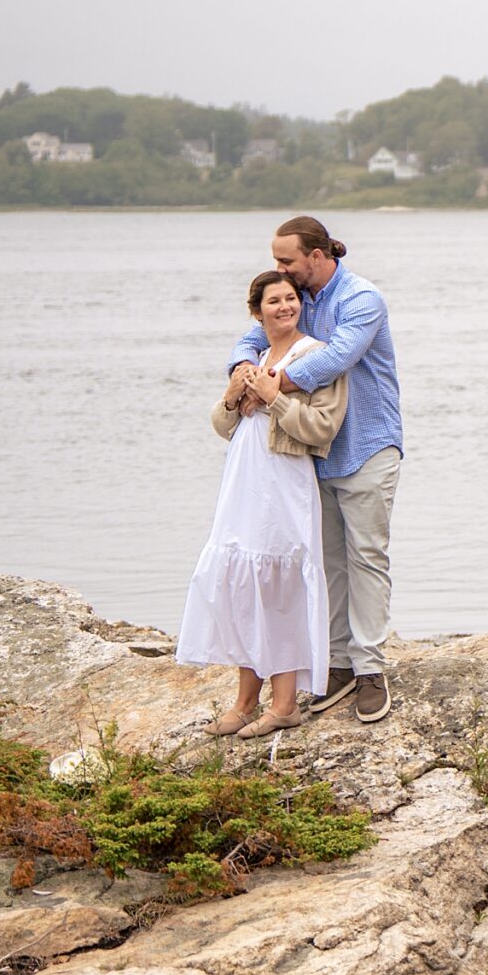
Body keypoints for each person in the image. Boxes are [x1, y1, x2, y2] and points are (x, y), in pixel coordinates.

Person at [227, 214, 404, 723]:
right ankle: (340, 665)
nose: (278, 268)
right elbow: (251, 336)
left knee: (367, 556)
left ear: (317, 257)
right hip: (311, 455)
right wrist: (242, 368)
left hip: (367, 445)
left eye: (285, 260)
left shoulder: (360, 299)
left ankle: (370, 670)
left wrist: (269, 386)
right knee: (327, 562)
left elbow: (336, 359)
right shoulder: (298, 299)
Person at [178, 271, 348, 735]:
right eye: (274, 301)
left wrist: (273, 399)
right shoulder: (250, 358)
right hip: (243, 480)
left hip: (285, 483)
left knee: (280, 585)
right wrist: (235, 394)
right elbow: (221, 424)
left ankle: (285, 703)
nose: (285, 306)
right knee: (240, 582)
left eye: (291, 298)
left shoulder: (314, 357)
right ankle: (245, 702)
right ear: (257, 312)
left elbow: (321, 429)